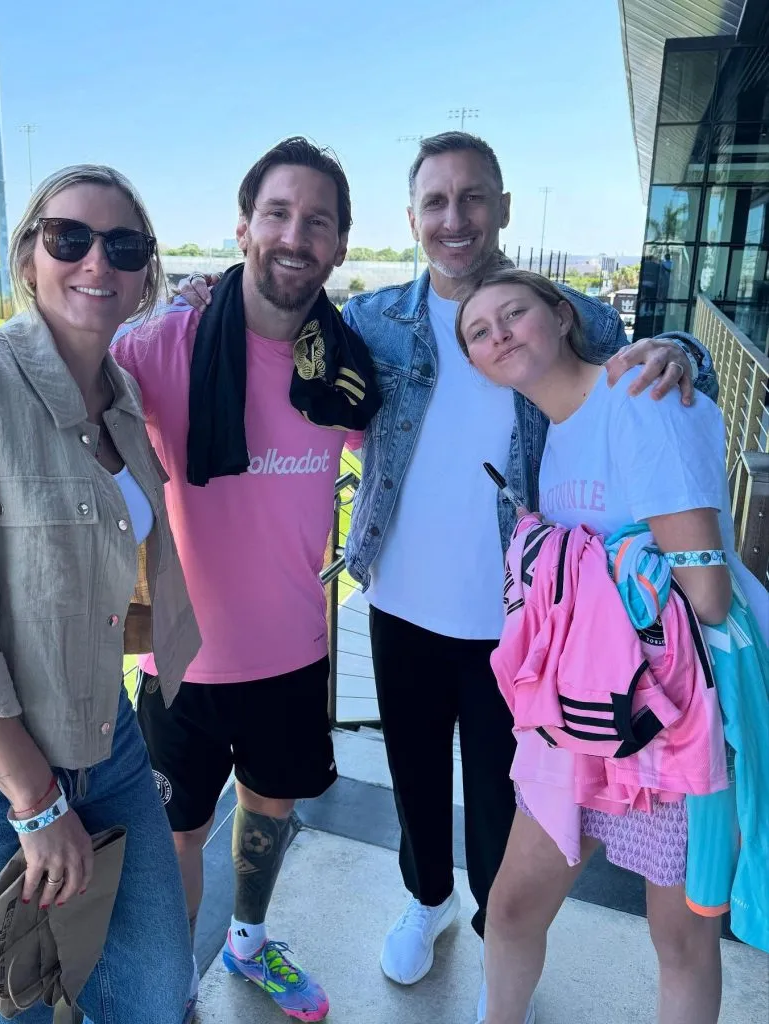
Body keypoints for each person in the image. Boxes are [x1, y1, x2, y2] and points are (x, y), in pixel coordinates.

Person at [337, 132, 718, 1024]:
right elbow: (290, 345)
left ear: (503, 207)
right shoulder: (378, 318)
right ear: (411, 219)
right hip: (401, 596)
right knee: (415, 775)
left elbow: (647, 374)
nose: (454, 217)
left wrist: (685, 354)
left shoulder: (570, 312)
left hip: (527, 626)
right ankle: (426, 900)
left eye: (473, 197)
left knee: (508, 799)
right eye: (435, 202)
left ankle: (489, 934)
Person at [456, 266, 768, 1024]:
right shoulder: (549, 441)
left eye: (513, 312)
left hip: (674, 714)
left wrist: (590, 575)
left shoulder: (640, 393)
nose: (497, 333)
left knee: (680, 939)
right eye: (476, 331)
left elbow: (707, 593)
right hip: (582, 713)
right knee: (511, 904)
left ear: (562, 316)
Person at [111, 137, 378, 1022]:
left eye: (317, 220)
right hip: (180, 663)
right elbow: (57, 377)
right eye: (277, 213)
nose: (294, 234)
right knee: (176, 838)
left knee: (269, 807)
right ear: (242, 226)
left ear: (339, 245)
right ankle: (177, 982)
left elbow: (408, 440)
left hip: (294, 651)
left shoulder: (343, 367)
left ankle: (248, 942)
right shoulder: (159, 346)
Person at [0, 165, 201, 1024]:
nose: (98, 261)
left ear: (143, 276)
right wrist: (34, 801)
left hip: (111, 739)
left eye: (123, 246)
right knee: (0, 1007)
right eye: (71, 238)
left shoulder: (123, 401)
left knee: (156, 991)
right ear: (28, 256)